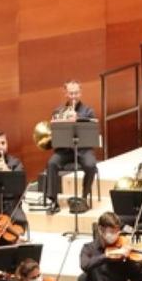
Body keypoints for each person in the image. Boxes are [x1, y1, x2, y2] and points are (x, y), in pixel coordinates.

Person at [42, 80, 98, 214]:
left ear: (81, 93)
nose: (74, 96)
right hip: (65, 150)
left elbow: (92, 131)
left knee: (91, 165)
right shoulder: (58, 111)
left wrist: (77, 118)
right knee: (52, 163)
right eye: (71, 93)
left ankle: (84, 197)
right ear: (66, 94)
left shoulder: (88, 111)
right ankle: (53, 201)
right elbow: (55, 135)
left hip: (83, 149)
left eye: (76, 93)